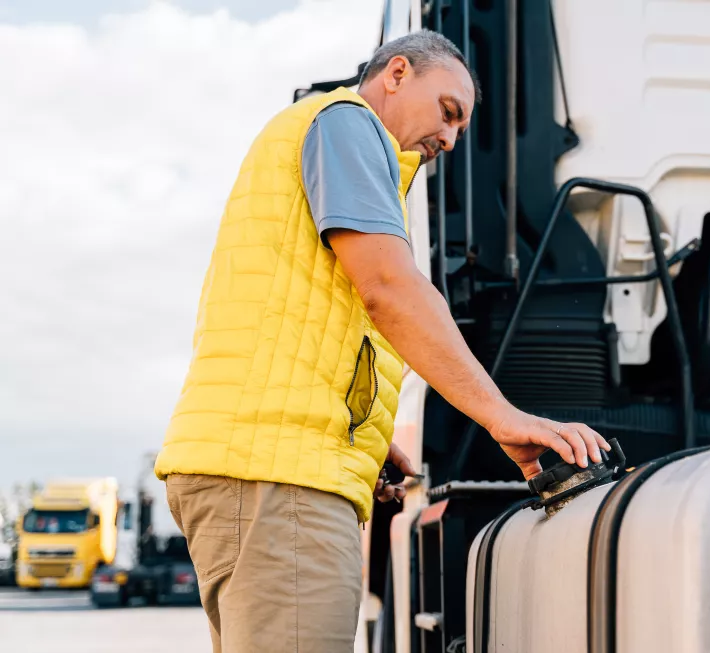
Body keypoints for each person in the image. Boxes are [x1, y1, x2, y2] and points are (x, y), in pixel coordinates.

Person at [154, 29, 608, 653]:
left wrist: (363, 433)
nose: (449, 139)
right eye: (448, 112)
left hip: (256, 472)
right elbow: (388, 290)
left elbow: (309, 319)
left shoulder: (321, 140)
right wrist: (502, 417)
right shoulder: (348, 122)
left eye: (460, 130)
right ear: (396, 73)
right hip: (278, 481)